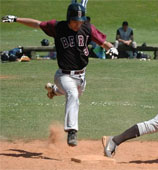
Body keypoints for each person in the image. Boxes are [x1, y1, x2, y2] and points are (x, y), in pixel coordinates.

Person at [2, 2, 118, 147]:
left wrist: (112, 48)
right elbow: (37, 24)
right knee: (72, 94)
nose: (78, 24)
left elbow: (103, 42)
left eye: (80, 21)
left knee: (74, 92)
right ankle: (72, 131)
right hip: (63, 75)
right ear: (69, 19)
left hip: (81, 77)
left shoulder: (87, 27)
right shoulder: (58, 27)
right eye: (75, 21)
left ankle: (53, 91)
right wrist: (15, 19)